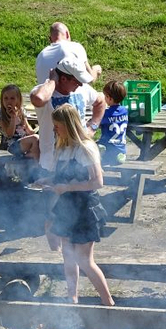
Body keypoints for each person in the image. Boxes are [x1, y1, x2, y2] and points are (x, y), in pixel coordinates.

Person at [44, 104, 114, 306]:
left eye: (57, 126)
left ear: (68, 125)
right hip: (66, 209)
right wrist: (48, 182)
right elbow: (61, 177)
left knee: (84, 260)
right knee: (68, 256)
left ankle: (108, 302)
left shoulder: (85, 148)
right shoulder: (64, 147)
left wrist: (66, 188)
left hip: (85, 210)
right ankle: (72, 299)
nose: (55, 130)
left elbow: (98, 182)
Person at [30, 56, 106, 172]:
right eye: (76, 81)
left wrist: (93, 126)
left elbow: (101, 101)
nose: (80, 85)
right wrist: (52, 80)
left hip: (80, 161)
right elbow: (38, 99)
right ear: (64, 79)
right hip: (51, 163)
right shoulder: (44, 90)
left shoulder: (83, 89)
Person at [35, 22, 102, 85]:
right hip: (71, 95)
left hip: (46, 95)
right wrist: (96, 69)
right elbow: (90, 79)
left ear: (50, 39)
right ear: (67, 34)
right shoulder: (75, 47)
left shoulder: (40, 55)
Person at [0, 84, 39, 162]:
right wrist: (13, 117)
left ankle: (33, 159)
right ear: (2, 100)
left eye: (12, 98)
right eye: (6, 98)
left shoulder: (21, 111)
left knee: (39, 139)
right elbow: (9, 134)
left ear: (18, 99)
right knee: (35, 139)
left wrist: (40, 130)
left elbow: (29, 131)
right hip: (11, 146)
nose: (9, 101)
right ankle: (36, 164)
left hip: (23, 142)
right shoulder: (1, 115)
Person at [98, 81, 128, 166]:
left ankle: (102, 153)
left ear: (109, 98)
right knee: (118, 151)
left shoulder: (106, 113)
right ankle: (120, 155)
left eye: (105, 96)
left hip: (108, 146)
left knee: (92, 147)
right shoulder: (124, 111)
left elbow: (97, 124)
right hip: (121, 146)